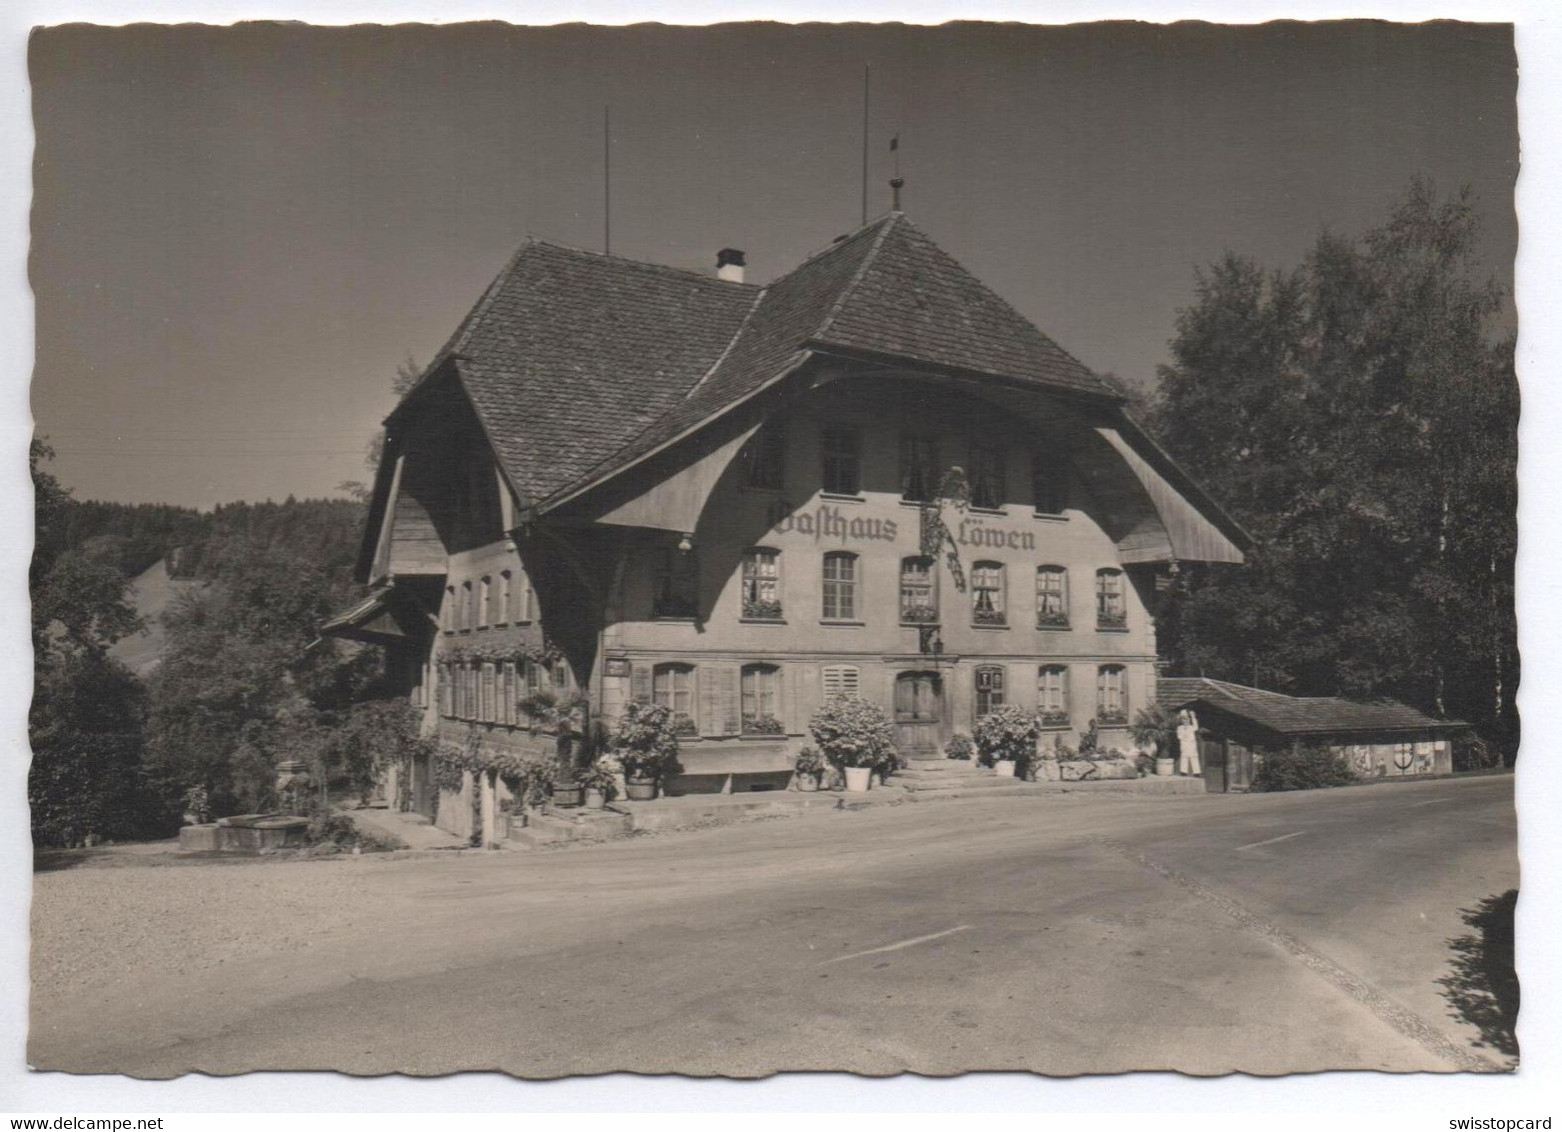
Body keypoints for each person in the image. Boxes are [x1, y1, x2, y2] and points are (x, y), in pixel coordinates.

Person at [1176, 709, 1202, 776]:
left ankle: (1196, 772)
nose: (1185, 721)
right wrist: (1183, 737)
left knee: (1194, 757)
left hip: (1191, 744)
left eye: (1187, 719)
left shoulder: (1191, 727)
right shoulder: (1180, 728)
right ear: (1182, 720)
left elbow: (1196, 727)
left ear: (1189, 720)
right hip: (1184, 744)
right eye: (1184, 720)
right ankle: (1183, 771)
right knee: (1184, 757)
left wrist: (1193, 717)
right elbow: (1179, 736)